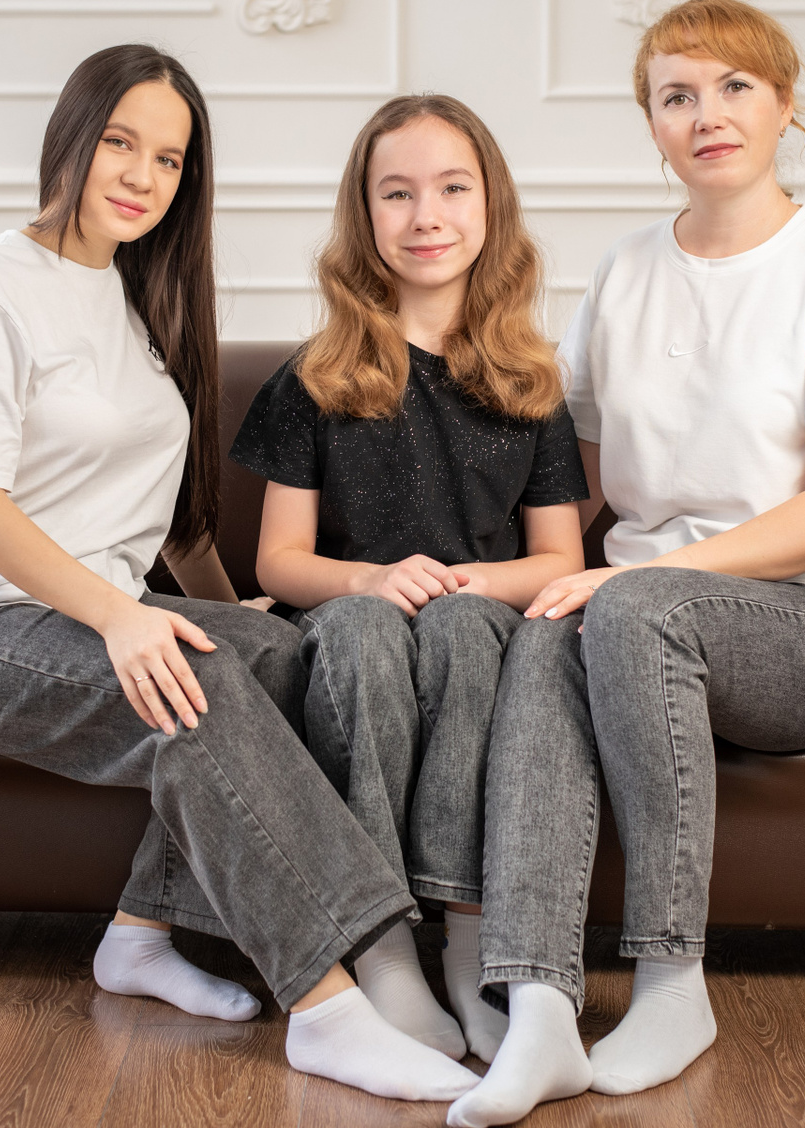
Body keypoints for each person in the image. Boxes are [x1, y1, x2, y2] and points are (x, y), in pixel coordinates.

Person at [0, 45, 479, 1103]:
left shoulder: (135, 294)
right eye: (121, 143)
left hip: (91, 606)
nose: (143, 175)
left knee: (281, 654)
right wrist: (125, 619)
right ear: (70, 137)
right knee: (193, 691)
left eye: (169, 158)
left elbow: (158, 514)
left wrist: (227, 611)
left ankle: (139, 935)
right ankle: (332, 1002)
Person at [449, 0, 805, 1127]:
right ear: (652, 126)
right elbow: (570, 481)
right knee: (550, 624)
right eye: (676, 96)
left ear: (785, 105)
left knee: (628, 607)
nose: (708, 115)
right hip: (635, 613)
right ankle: (538, 1005)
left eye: (735, 86)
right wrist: (472, 575)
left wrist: (639, 583)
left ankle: (670, 984)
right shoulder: (624, 270)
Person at [230, 94, 589, 1064]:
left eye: (452, 188)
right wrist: (369, 578)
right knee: (360, 630)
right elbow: (276, 561)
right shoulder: (315, 376)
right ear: (365, 214)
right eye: (397, 193)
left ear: (490, 205)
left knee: (464, 626)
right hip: (351, 625)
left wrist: (474, 581)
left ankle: (471, 948)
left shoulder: (531, 382)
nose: (426, 215)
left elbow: (561, 560)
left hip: (478, 625)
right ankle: (383, 948)